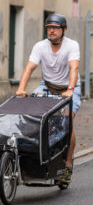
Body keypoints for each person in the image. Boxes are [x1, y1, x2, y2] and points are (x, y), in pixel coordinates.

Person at [16, 13, 80, 184]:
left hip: (69, 88)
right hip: (47, 86)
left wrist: (70, 90)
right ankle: (38, 157)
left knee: (66, 121)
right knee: (33, 115)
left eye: (55, 28)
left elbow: (74, 68)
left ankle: (67, 165)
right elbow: (29, 68)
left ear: (63, 30)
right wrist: (21, 89)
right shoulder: (40, 46)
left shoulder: (72, 45)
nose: (51, 31)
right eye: (49, 28)